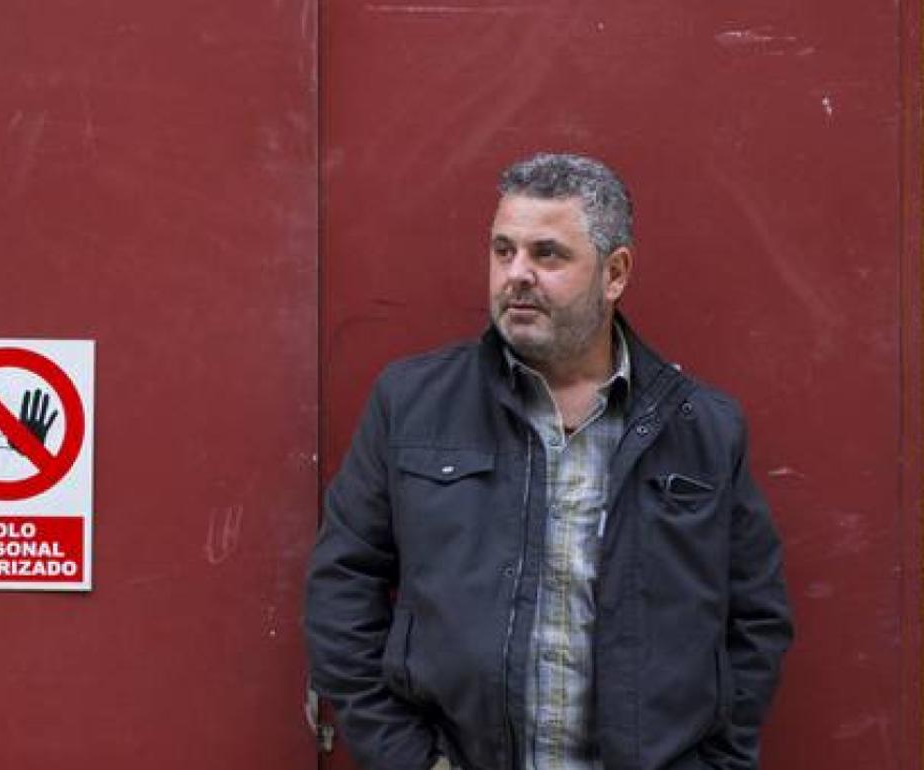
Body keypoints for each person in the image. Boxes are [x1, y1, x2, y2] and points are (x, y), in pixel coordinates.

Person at [304, 153, 793, 770]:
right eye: (502, 250)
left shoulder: (703, 430)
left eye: (547, 254)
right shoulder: (411, 404)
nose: (517, 275)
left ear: (614, 273)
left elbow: (756, 621)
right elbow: (342, 587)